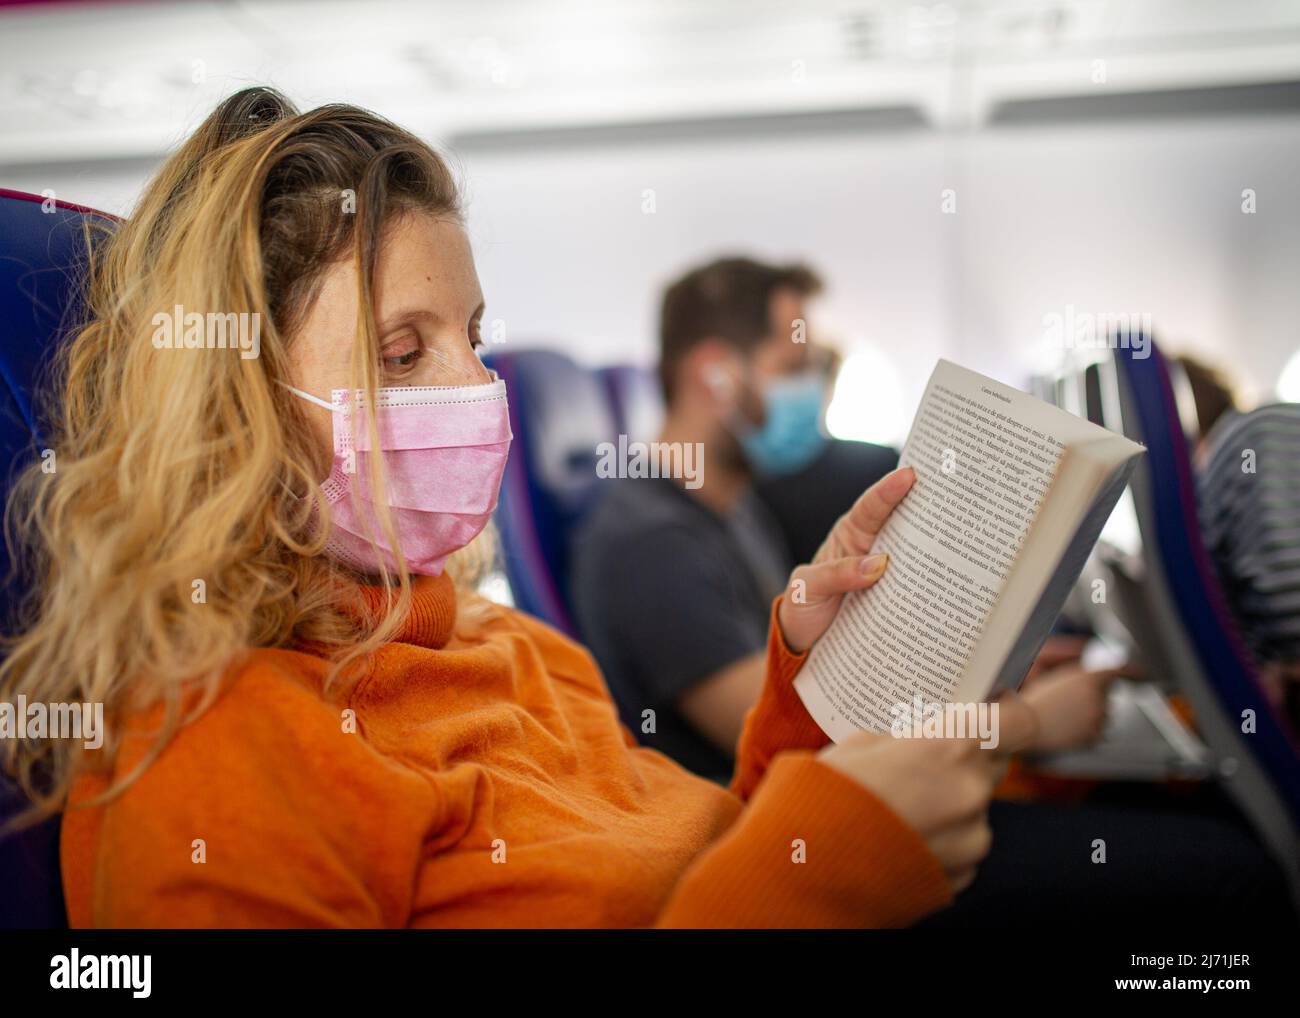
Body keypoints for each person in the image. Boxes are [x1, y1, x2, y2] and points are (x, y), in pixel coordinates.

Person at [0, 88, 1049, 928]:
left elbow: (714, 854)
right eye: (403, 352)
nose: (474, 388)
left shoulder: (519, 649)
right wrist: (824, 878)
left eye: (475, 336)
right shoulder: (223, 752)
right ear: (238, 415)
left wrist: (817, 697)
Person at [571, 257, 894, 776]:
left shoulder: (735, 505)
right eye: (792, 370)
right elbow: (799, 745)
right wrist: (1014, 722)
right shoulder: (653, 545)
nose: (812, 393)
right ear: (715, 375)